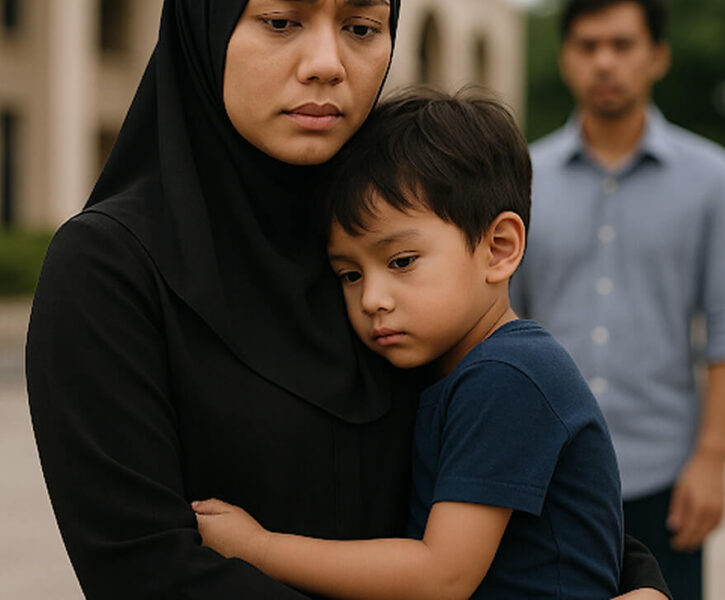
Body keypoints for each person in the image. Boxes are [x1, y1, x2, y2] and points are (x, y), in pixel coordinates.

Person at [26, 0, 669, 600]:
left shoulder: (386, 230)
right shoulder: (111, 271)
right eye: (281, 20)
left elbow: (527, 483)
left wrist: (640, 582)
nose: (328, 63)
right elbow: (146, 569)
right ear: (206, 24)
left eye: (362, 28)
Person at [191, 89, 625, 600]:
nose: (373, 299)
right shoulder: (453, 368)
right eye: (349, 274)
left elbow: (441, 575)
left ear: (499, 249)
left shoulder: (509, 374)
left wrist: (257, 548)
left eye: (401, 262)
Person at [509, 0, 725, 600]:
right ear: (565, 56)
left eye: (622, 44)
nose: (604, 62)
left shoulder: (713, 179)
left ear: (657, 56)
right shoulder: (521, 177)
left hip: (664, 478)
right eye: (587, 45)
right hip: (546, 474)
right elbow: (504, 320)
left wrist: (712, 461)